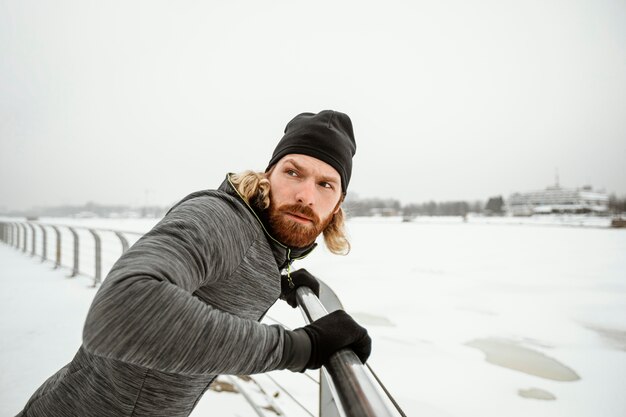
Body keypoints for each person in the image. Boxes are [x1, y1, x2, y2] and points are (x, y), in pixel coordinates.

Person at [17, 110, 371, 417]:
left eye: (325, 184)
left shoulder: (258, 243)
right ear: (268, 176)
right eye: (293, 172)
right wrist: (299, 347)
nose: (306, 194)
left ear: (337, 205)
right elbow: (121, 310)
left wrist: (274, 283)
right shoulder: (220, 217)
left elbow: (225, 274)